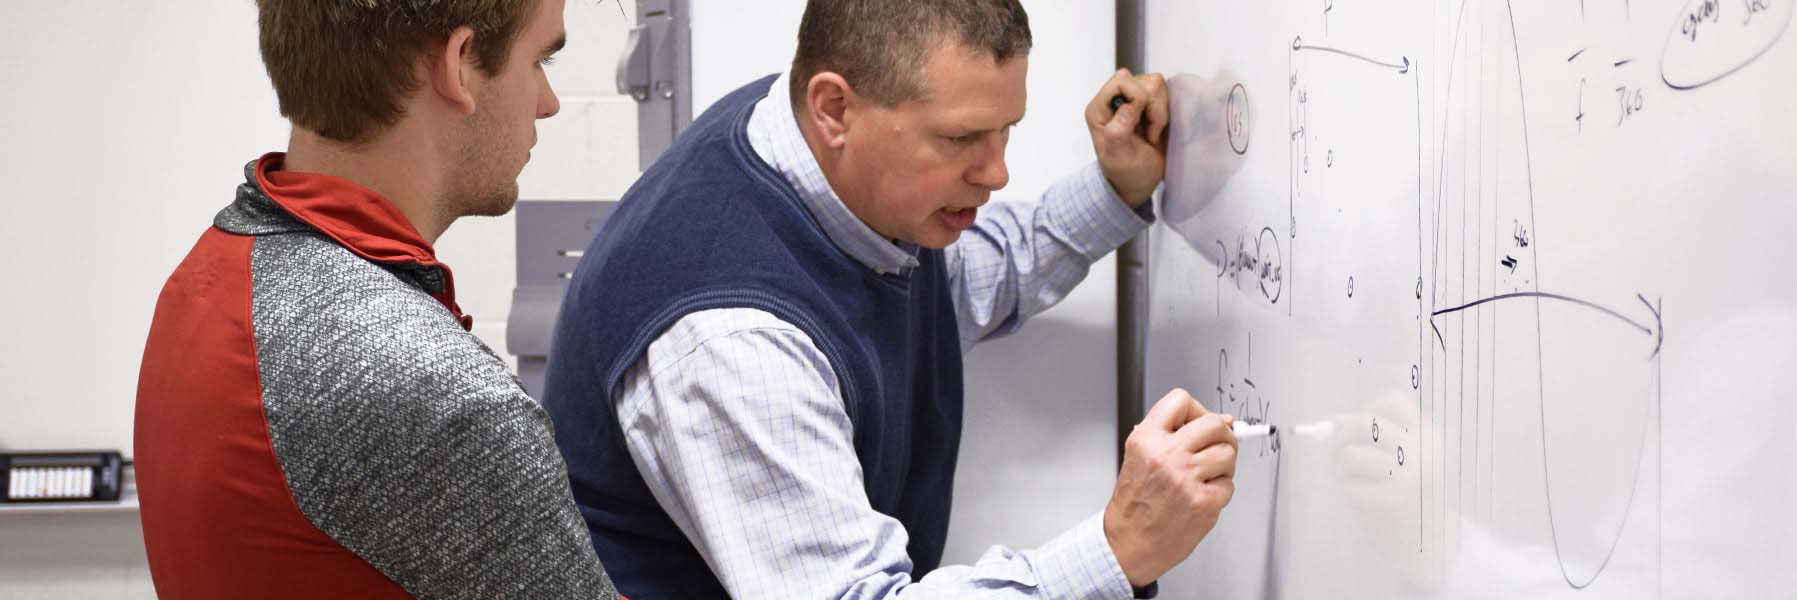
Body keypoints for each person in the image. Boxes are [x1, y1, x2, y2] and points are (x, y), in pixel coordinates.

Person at [541, 1, 1238, 598]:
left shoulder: (820, 158)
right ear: (834, 107)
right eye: (962, 138)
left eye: (1007, 131)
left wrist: (1117, 188)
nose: (996, 171)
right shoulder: (733, 343)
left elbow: (955, 286)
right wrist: (1119, 551)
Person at [133, 1, 619, 598]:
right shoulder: (440, 395)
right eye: (540, 60)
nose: (548, 102)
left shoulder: (210, 273)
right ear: (460, 64)